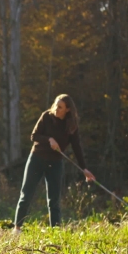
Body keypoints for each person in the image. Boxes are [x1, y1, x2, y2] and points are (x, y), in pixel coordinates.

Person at [13, 94, 95, 231]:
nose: (56, 108)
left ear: (67, 110)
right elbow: (34, 136)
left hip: (55, 164)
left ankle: (55, 232)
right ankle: (17, 228)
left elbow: (77, 147)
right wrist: (49, 139)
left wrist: (84, 169)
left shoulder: (71, 125)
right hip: (36, 159)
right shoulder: (46, 116)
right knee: (26, 194)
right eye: (56, 105)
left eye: (60, 107)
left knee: (54, 200)